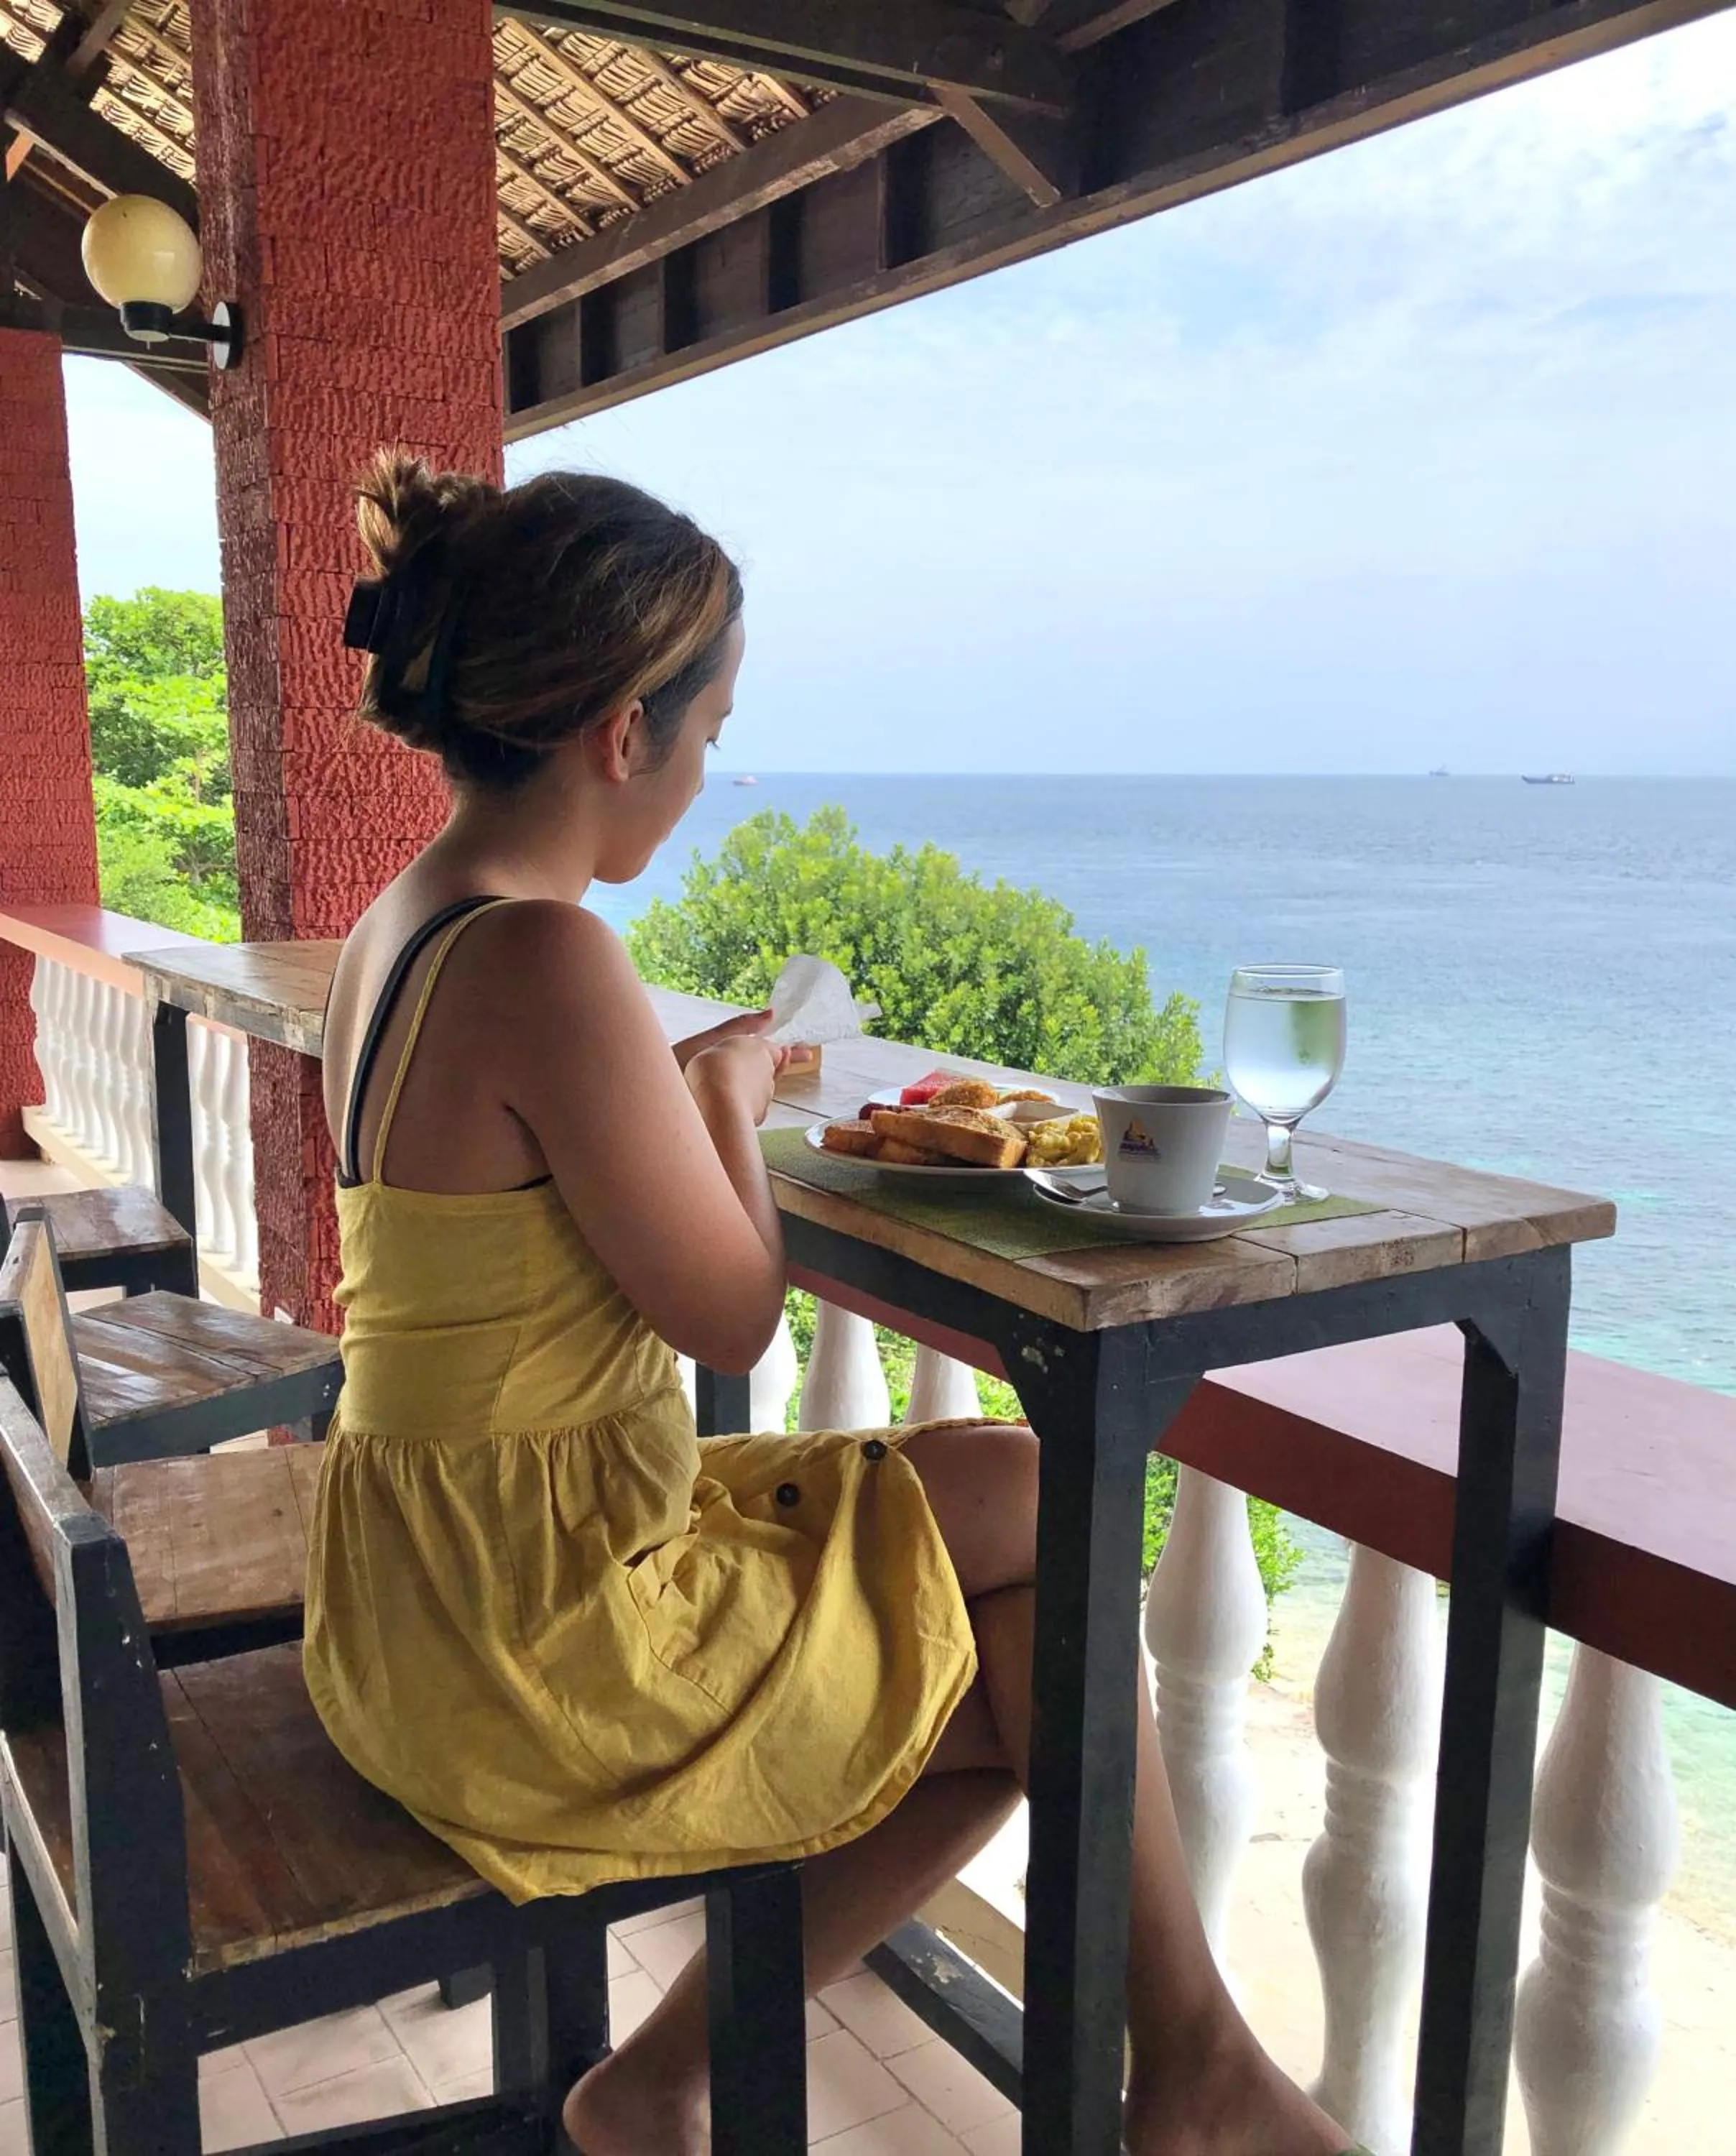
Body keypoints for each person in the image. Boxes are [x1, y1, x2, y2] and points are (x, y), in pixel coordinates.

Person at [306, 453, 1359, 2156]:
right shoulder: (547, 955)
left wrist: (670, 1082)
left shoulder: (409, 925)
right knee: (1047, 1652)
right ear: (620, 732)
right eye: (712, 732)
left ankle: (1134, 2074)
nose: (708, 774)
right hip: (535, 1634)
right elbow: (729, 1321)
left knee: (1028, 1520)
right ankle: (1183, 2077)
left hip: (432, 1572)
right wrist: (720, 1103)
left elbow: (518, 1185)